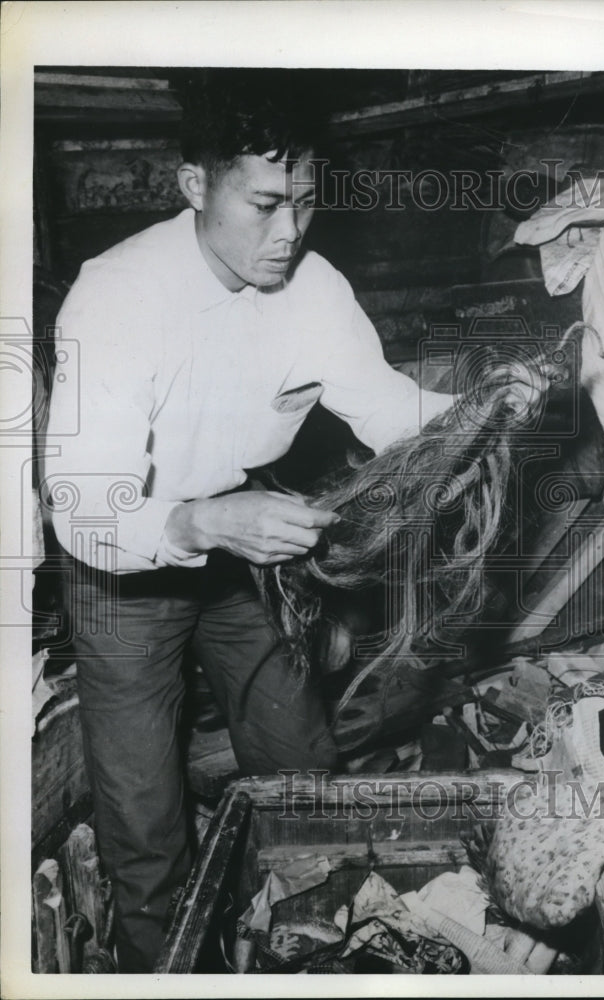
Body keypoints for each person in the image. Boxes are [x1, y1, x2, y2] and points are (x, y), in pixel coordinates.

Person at [43, 71, 453, 972]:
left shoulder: (312, 288)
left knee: (299, 761)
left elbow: (388, 409)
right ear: (195, 185)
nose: (290, 233)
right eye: (265, 204)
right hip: (122, 568)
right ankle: (170, 969)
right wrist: (203, 521)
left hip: (241, 557)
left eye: (305, 203)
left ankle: (319, 944)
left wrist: (492, 405)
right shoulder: (114, 297)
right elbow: (79, 501)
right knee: (144, 808)